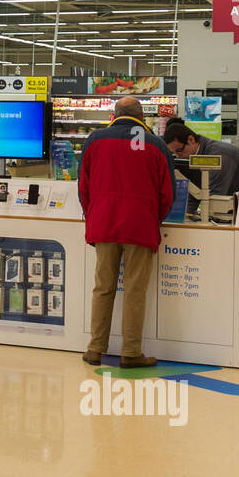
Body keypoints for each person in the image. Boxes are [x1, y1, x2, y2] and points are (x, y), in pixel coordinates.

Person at [78, 96, 176, 368]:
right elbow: (167, 193)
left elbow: (83, 187)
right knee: (134, 290)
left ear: (114, 114)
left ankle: (95, 349)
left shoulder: (94, 140)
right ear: (141, 116)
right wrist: (154, 218)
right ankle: (131, 353)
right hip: (140, 225)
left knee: (103, 288)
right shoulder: (156, 144)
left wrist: (93, 214)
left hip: (104, 223)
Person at [163, 122, 239, 201]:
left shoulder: (220, 153)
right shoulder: (194, 156)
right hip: (232, 210)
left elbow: (215, 195)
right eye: (174, 153)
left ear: (191, 139)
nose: (178, 156)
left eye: (180, 150)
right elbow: (195, 194)